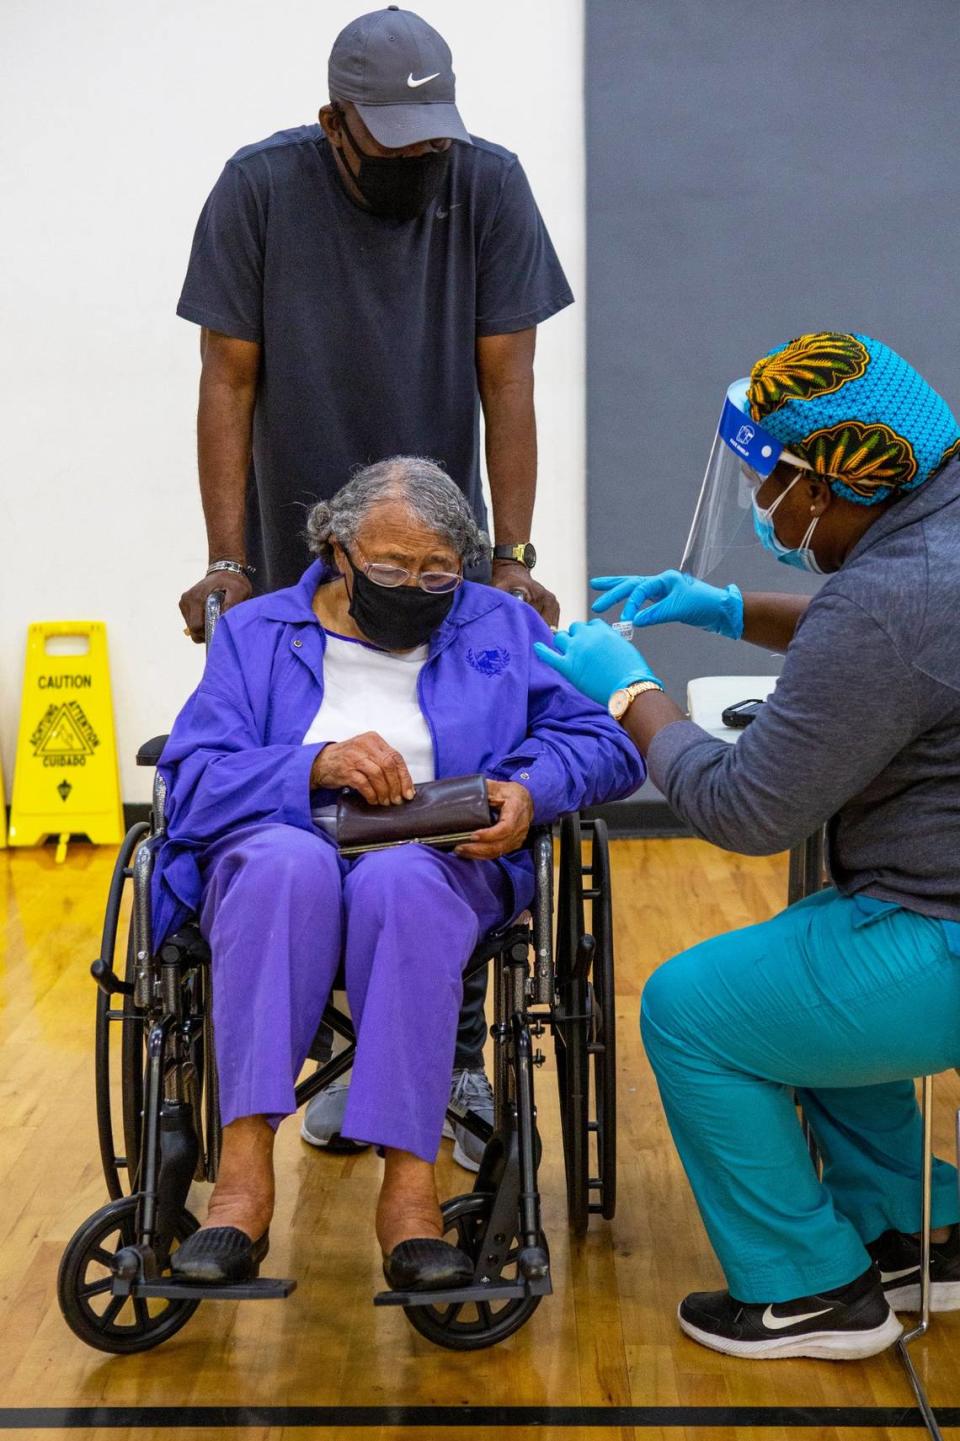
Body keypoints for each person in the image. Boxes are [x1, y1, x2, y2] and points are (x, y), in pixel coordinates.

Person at [174, 7, 574, 1156]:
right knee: (304, 805)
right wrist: (229, 562)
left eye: (430, 139)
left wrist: (512, 559)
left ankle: (435, 1063)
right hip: (303, 534)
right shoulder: (259, 191)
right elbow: (227, 380)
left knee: (436, 796)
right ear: (332, 123)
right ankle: (311, 1056)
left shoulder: (487, 187)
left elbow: (512, 381)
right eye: (391, 139)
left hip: (444, 534)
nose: (415, 159)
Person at [536, 332, 960, 1360]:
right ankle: (921, 1233)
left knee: (692, 1009)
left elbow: (745, 811)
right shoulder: (933, 525)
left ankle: (812, 1292)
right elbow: (875, 640)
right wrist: (726, 611)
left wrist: (631, 693)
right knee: (797, 963)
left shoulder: (889, 601)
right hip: (932, 908)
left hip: (945, 935)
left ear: (834, 483)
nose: (764, 512)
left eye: (770, 486)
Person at [155, 457, 644, 1289]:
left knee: (403, 882)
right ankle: (241, 1180)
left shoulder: (501, 626)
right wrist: (312, 767)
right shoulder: (257, 633)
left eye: (437, 571)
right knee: (284, 864)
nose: (413, 585)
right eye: (389, 567)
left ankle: (410, 1193)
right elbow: (193, 778)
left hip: (442, 864)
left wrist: (530, 789)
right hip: (281, 856)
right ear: (338, 551)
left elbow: (605, 742)